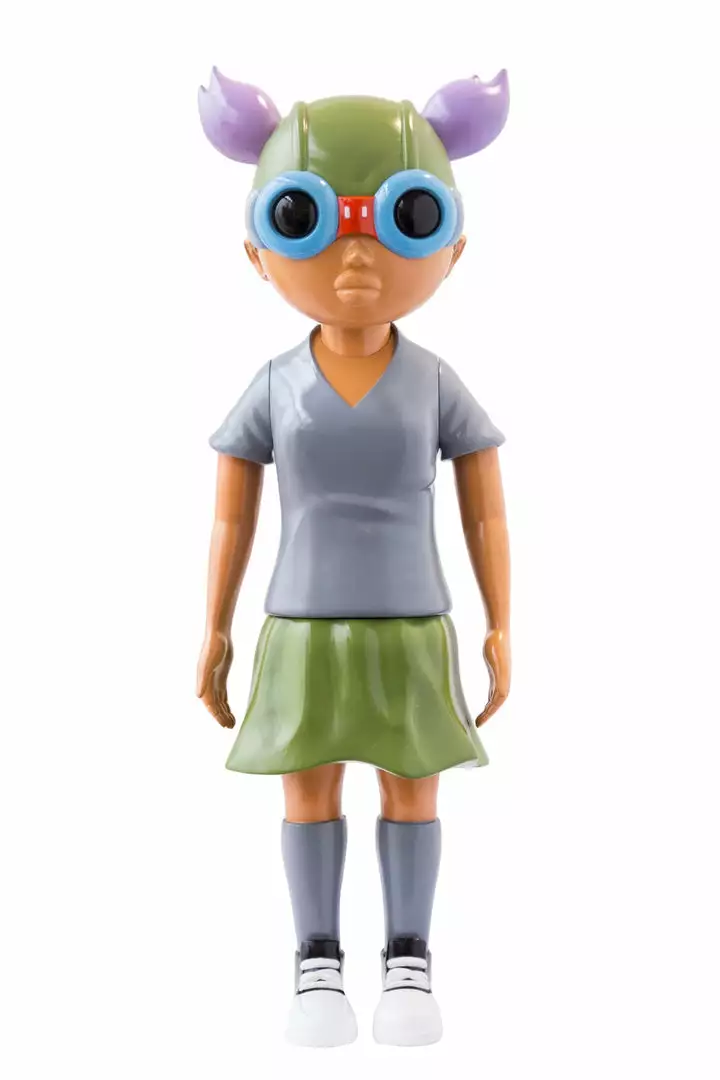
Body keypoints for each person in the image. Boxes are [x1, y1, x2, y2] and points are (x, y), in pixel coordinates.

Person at [196, 69, 511, 1047]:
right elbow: (231, 521)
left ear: (453, 248)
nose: (358, 251)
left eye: (404, 217)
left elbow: (487, 513)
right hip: (300, 621)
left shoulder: (436, 384)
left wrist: (502, 626)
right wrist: (214, 631)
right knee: (310, 786)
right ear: (258, 251)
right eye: (309, 218)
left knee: (413, 786)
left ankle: (409, 957)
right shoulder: (274, 385)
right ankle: (317, 960)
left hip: (414, 618)